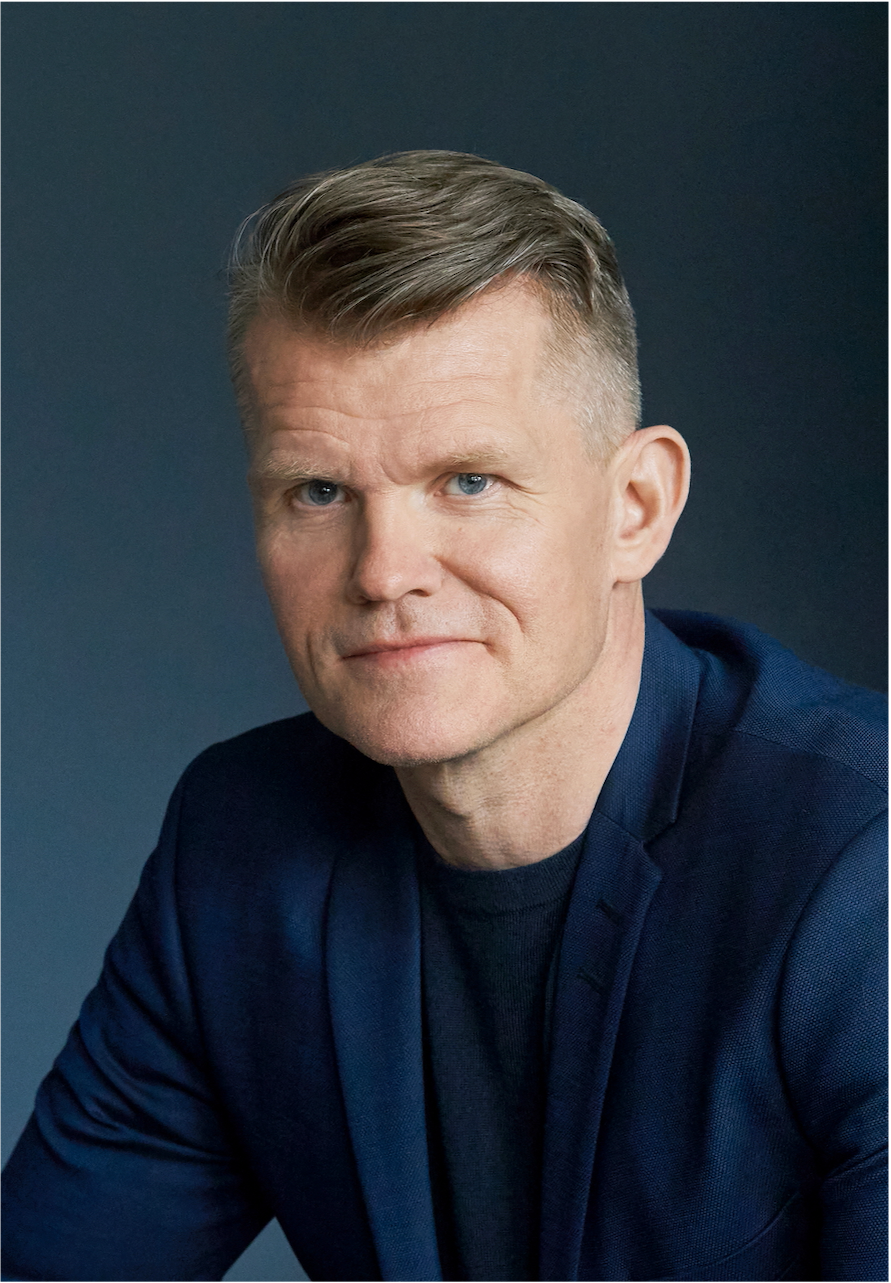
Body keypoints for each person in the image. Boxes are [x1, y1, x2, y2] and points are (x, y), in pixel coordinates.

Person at [0, 151, 887, 1283]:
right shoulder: (240, 848)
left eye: (468, 481)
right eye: (319, 491)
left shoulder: (862, 879)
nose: (384, 571)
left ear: (636, 508)